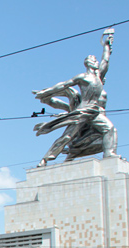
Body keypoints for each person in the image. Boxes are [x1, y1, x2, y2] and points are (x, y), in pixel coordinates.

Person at [32, 31, 118, 167]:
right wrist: (46, 92)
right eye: (93, 60)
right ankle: (45, 159)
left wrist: (106, 46)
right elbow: (64, 84)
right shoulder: (83, 77)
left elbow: (106, 61)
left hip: (95, 112)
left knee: (110, 129)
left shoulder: (99, 77)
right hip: (83, 110)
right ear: (88, 64)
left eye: (96, 60)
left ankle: (109, 154)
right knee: (68, 136)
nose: (96, 62)